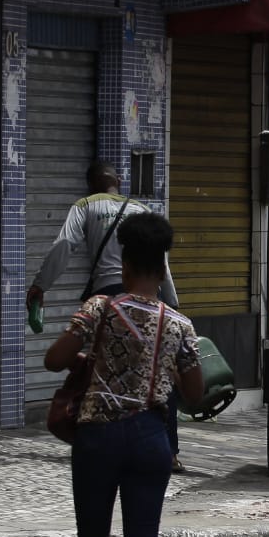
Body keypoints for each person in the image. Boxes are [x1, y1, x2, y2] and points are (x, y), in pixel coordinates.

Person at [44, 212, 204, 537]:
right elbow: (194, 397)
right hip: (150, 438)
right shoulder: (179, 325)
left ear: (125, 262)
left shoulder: (99, 308)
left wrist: (86, 355)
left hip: (98, 438)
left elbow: (54, 360)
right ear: (162, 266)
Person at [28, 160, 187, 471]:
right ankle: (168, 451)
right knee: (157, 369)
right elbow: (161, 264)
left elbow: (64, 245)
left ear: (91, 185)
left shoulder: (86, 206)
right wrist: (172, 306)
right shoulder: (141, 211)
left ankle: (97, 436)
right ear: (118, 182)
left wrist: (40, 285)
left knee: (100, 369)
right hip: (147, 297)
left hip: (106, 298)